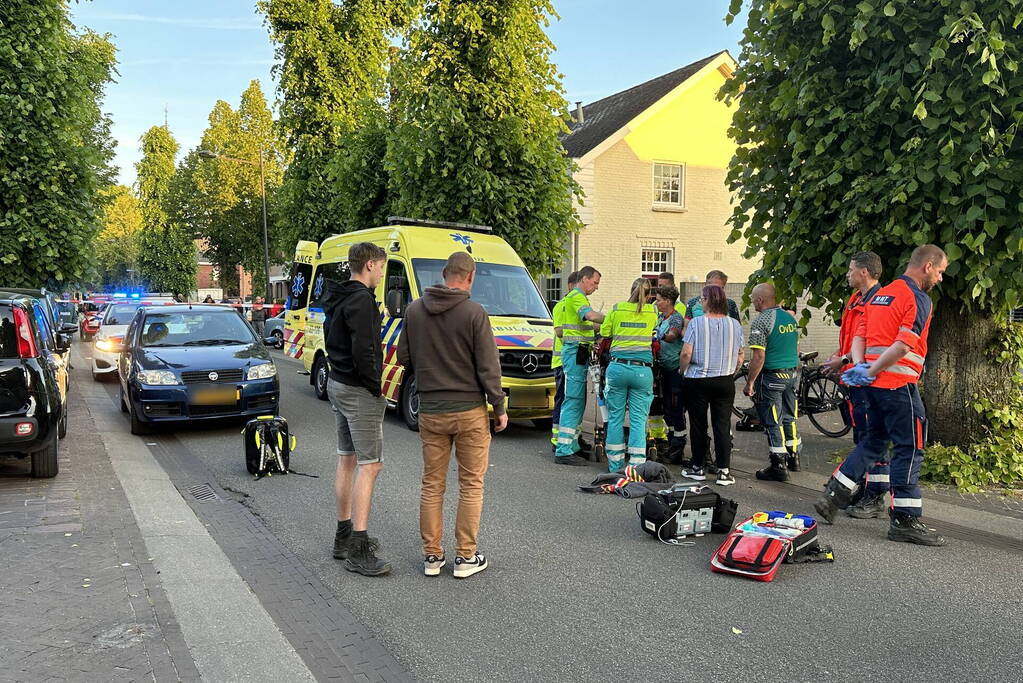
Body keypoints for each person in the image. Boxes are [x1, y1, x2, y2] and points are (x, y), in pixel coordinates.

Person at [815, 245, 948, 546]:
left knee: (875, 441)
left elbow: (859, 336)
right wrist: (873, 369)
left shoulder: (879, 296)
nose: (940, 278)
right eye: (940, 271)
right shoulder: (917, 298)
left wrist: (863, 367)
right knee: (910, 447)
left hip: (872, 388)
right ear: (927, 266)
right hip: (899, 386)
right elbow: (904, 346)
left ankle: (836, 492)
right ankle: (905, 519)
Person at [397, 252, 508, 579]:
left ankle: (432, 557)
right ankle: (465, 557)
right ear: (470, 277)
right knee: (471, 484)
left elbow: (404, 357)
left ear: (445, 274)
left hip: (430, 410)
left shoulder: (414, 310)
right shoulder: (475, 313)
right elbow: (489, 367)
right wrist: (499, 407)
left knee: (432, 484)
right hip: (469, 411)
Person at [322, 242, 391, 576]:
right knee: (370, 465)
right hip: (358, 390)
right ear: (369, 265)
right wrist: (376, 388)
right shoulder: (362, 301)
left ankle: (343, 536)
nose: (381, 273)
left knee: (346, 459)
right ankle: (359, 550)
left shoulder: (337, 297)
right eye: (380, 267)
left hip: (337, 383)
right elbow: (365, 350)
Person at [821, 251, 889, 518]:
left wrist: (844, 360)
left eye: (851, 270)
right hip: (856, 377)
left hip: (872, 380)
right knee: (862, 436)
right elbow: (852, 338)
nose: (847, 274)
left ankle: (875, 496)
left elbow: (872, 342)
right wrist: (840, 358)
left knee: (873, 438)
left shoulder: (879, 303)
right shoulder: (855, 300)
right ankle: (864, 489)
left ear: (864, 272)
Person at [679, 285, 743, 486]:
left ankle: (698, 467)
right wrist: (731, 370)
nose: (700, 302)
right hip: (724, 380)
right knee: (722, 425)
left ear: (708, 300)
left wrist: (682, 370)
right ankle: (724, 471)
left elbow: (686, 353)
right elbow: (741, 354)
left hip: (697, 379)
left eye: (701, 299)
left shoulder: (696, 323)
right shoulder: (735, 324)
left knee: (698, 424)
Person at [598, 278, 658, 472]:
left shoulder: (616, 309)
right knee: (638, 419)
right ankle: (636, 465)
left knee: (615, 416)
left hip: (617, 368)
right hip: (642, 370)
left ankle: (615, 465)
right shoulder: (653, 311)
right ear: (649, 295)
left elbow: (605, 332)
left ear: (630, 290)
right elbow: (655, 335)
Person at [745, 283, 801, 481]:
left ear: (760, 300)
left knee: (772, 420)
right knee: (789, 416)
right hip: (792, 375)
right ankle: (794, 456)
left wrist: (750, 382)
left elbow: (758, 356)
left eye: (753, 298)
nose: (752, 302)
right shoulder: (790, 318)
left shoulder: (762, 321)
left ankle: (778, 464)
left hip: (771, 376)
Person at [554, 266, 605, 466]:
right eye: (595, 282)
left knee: (578, 400)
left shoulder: (578, 298)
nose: (596, 287)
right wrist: (613, 317)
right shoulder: (577, 297)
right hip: (575, 352)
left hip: (578, 353)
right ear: (584, 279)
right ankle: (564, 450)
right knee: (573, 399)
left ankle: (572, 445)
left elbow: (589, 324)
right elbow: (591, 317)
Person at [653, 285, 688, 463]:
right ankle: (673, 441)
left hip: (675, 369)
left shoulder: (675, 318)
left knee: (675, 407)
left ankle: (678, 446)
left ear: (667, 301)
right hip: (664, 369)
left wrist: (658, 336)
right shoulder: (661, 317)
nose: (656, 302)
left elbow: (673, 336)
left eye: (658, 300)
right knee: (667, 408)